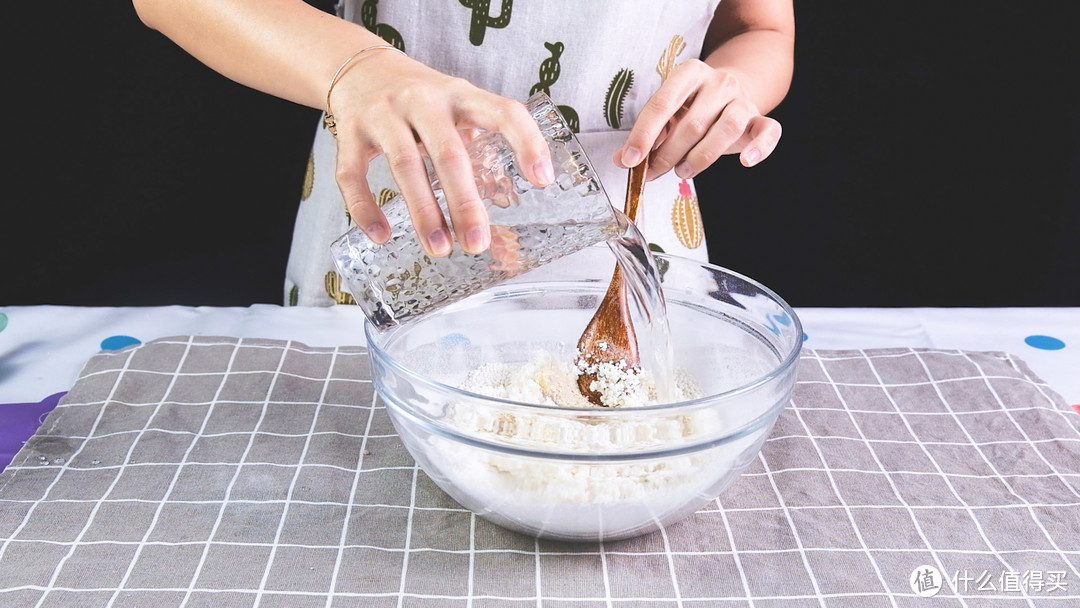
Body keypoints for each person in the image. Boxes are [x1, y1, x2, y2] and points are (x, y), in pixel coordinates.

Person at [132, 0, 794, 306]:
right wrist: (355, 68)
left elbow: (761, 26)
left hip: (636, 239)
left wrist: (734, 88)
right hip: (395, 227)